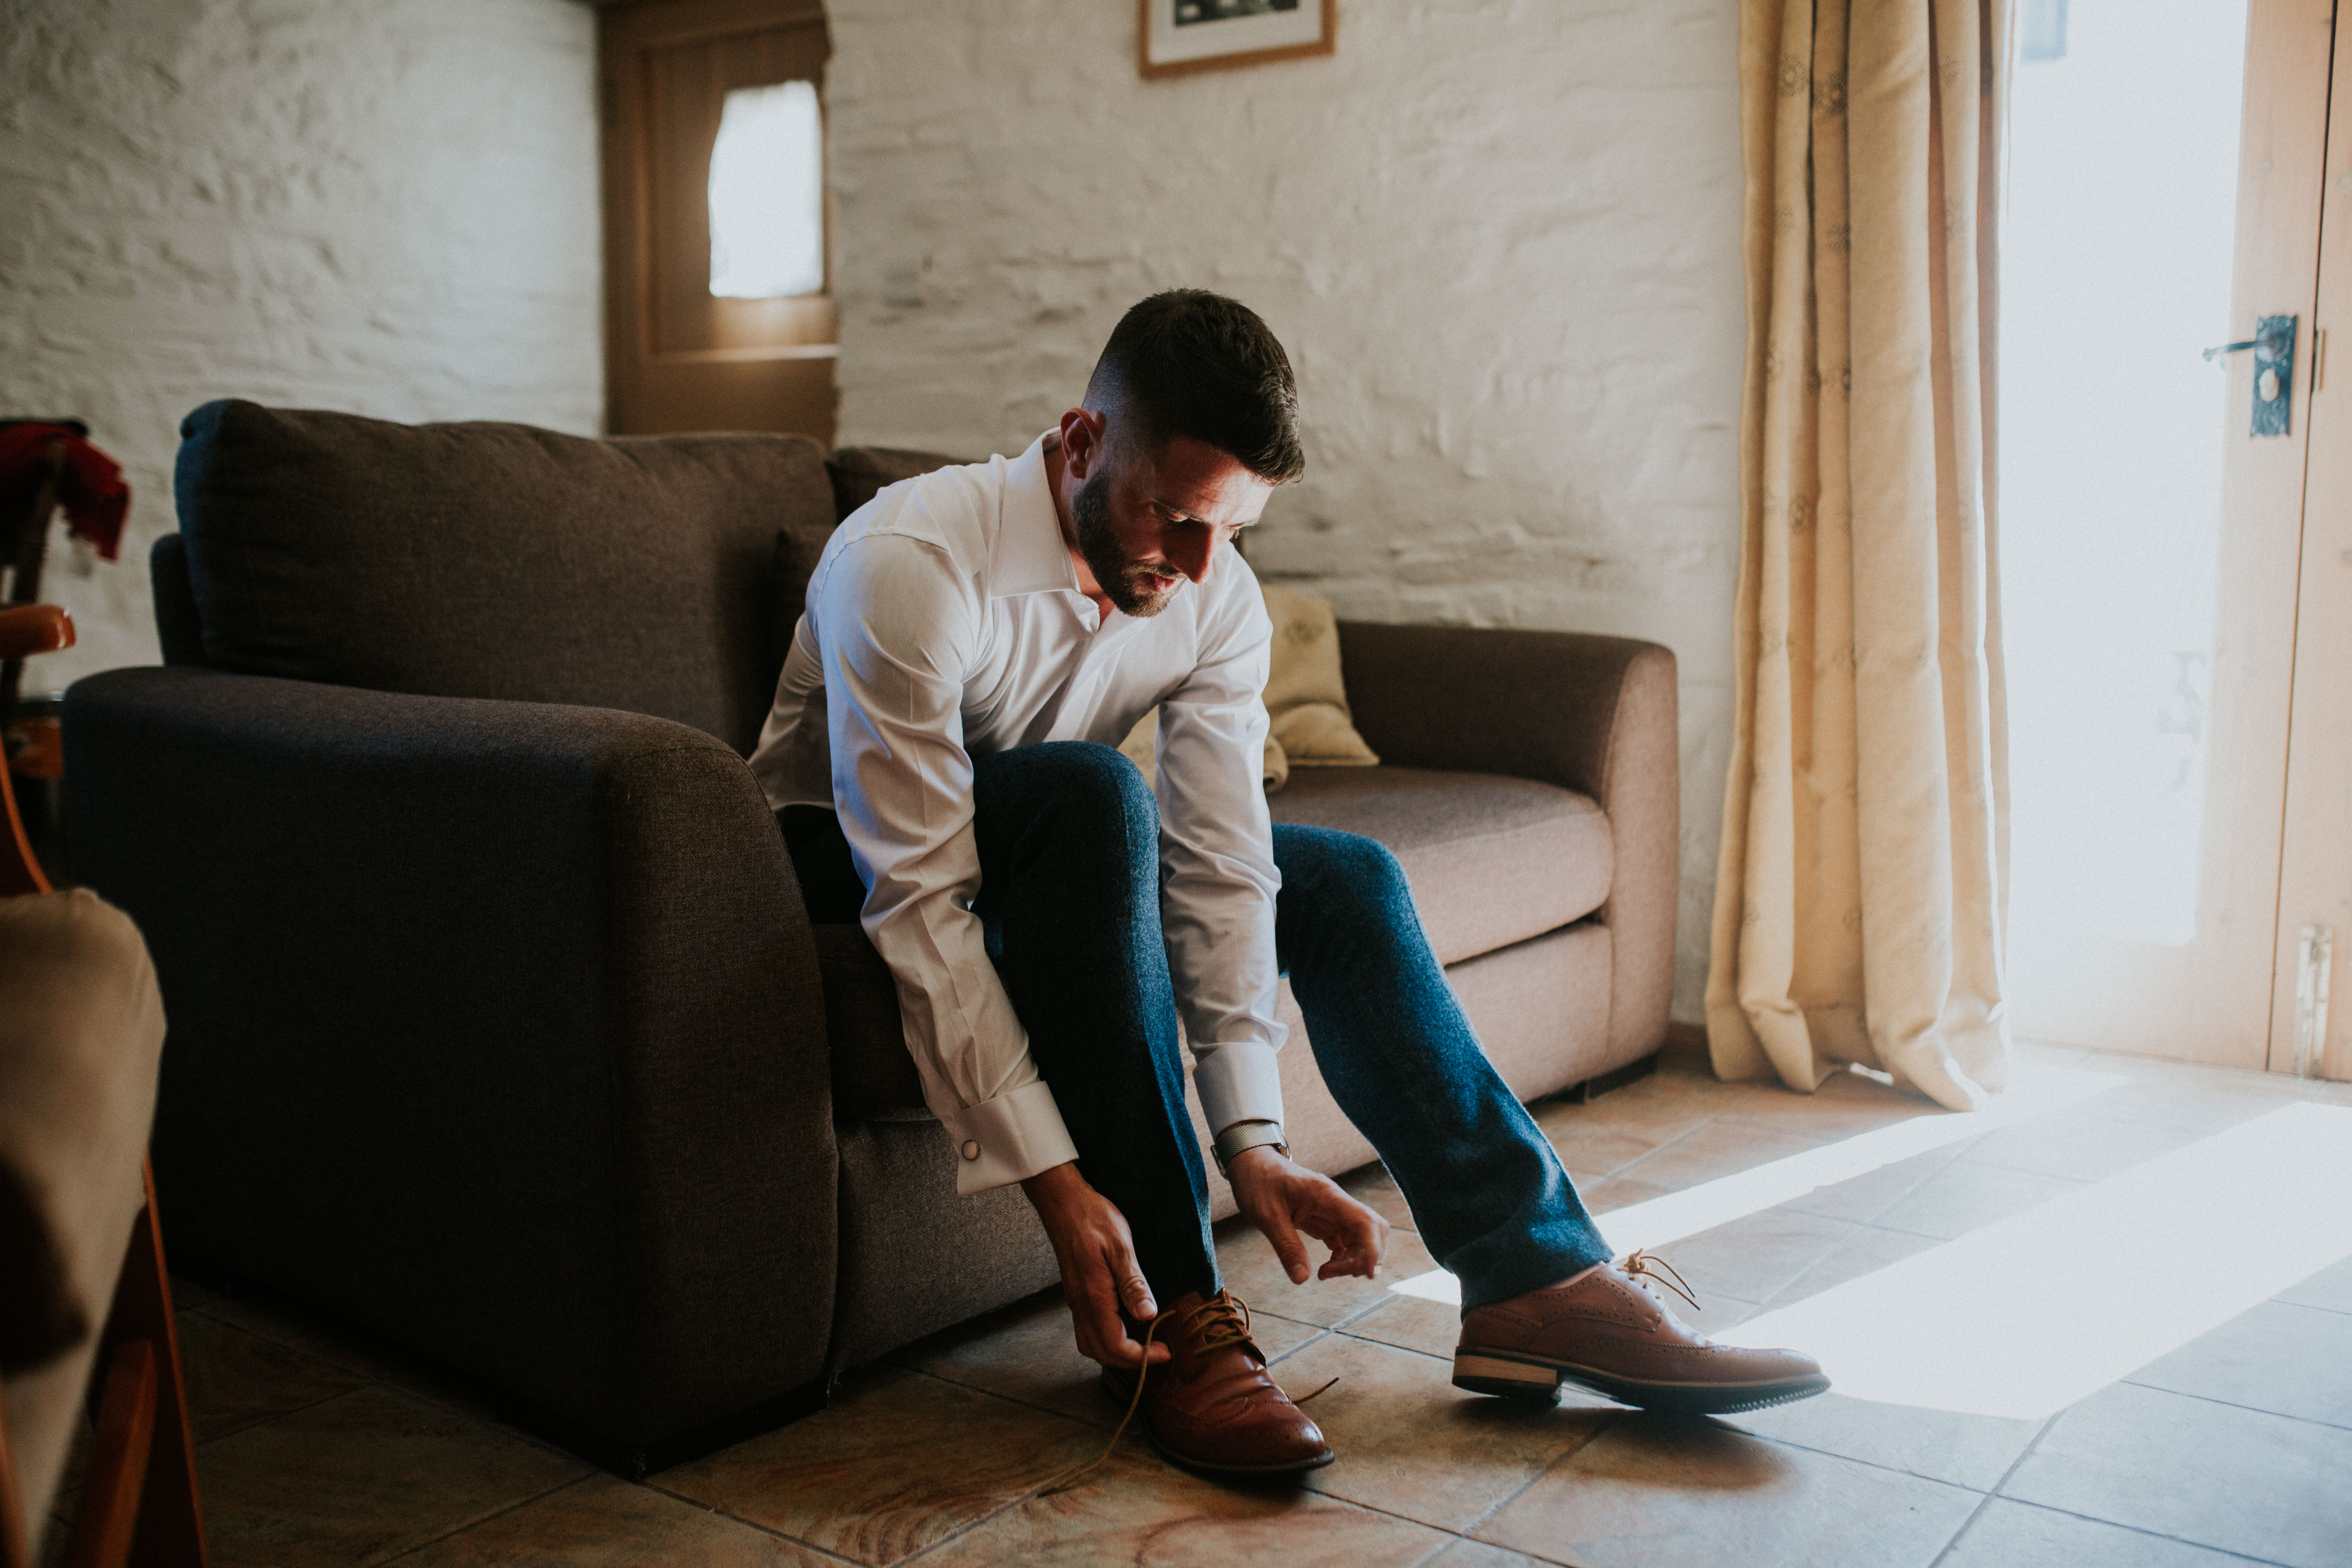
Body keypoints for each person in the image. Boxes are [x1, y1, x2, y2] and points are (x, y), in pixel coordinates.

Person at [749, 290, 1827, 1477]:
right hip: (831, 859)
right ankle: (1180, 1328)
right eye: (1172, 516)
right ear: (1080, 442)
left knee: (1343, 877)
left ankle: (1537, 1276)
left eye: (1233, 530)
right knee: (1094, 794)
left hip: (1058, 848)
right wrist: (1051, 1180)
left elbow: (1223, 863)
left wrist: (1253, 1140)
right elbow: (919, 895)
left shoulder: (1216, 592)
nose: (1202, 565)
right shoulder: (909, 566)